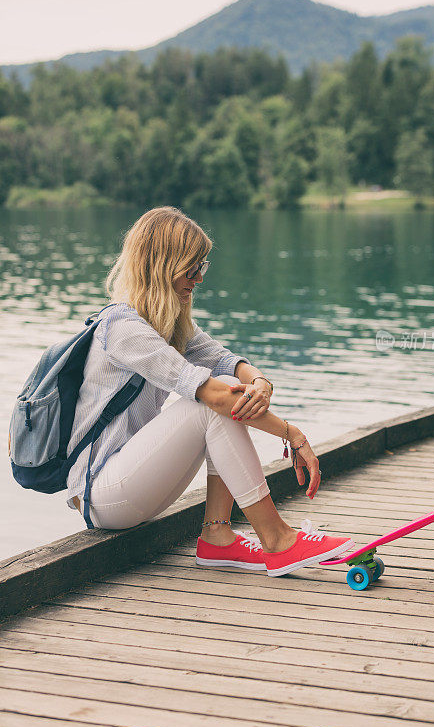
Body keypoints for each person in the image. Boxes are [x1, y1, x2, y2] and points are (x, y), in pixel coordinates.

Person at [68, 206, 354, 576]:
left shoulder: (167, 324)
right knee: (209, 405)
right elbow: (214, 396)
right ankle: (278, 539)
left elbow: (225, 362)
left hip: (134, 484)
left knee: (226, 392)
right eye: (191, 268)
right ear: (162, 264)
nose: (198, 278)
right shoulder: (124, 329)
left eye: (202, 267)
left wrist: (261, 381)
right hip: (104, 495)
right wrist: (291, 434)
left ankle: (217, 538)